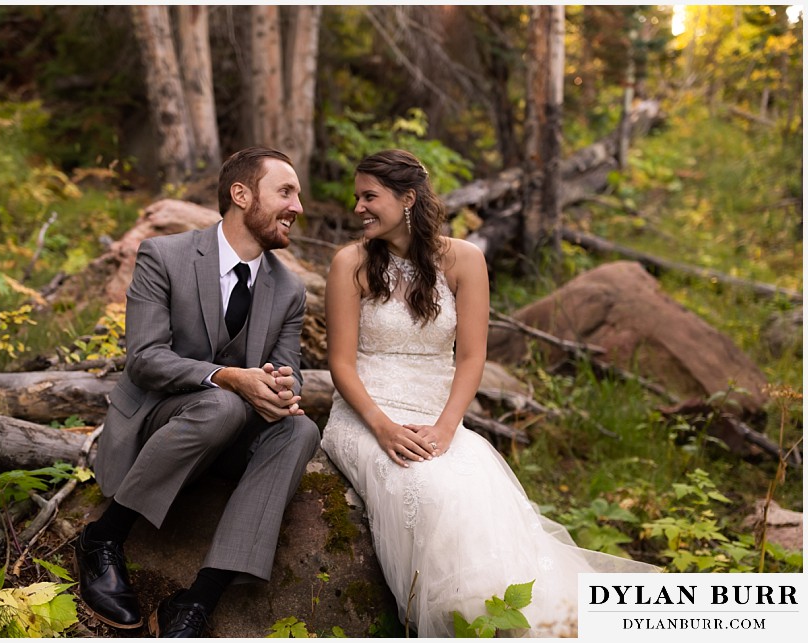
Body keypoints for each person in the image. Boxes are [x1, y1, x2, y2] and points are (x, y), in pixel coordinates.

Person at [321, 149, 657, 637]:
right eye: (358, 197)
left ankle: (508, 622)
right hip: (367, 412)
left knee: (475, 484)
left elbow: (472, 358)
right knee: (423, 487)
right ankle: (456, 622)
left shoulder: (465, 260)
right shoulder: (349, 263)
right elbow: (340, 363)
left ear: (407, 198)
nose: (358, 208)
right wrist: (384, 427)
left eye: (369, 196)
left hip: (437, 413)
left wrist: (445, 427)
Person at [77, 147, 321, 637]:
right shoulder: (164, 255)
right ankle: (103, 538)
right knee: (222, 403)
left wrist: (279, 387)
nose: (297, 206)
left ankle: (197, 600)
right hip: (159, 421)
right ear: (241, 194)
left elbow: (290, 371)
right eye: (285, 192)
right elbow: (145, 359)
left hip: (225, 433)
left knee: (300, 430)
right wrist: (230, 377)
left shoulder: (289, 290)